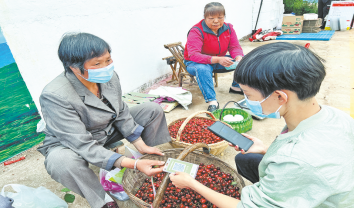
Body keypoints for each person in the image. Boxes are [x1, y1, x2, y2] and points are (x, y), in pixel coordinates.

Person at [170, 42, 354, 207]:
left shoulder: (297, 160)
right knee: (246, 159)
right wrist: (266, 150)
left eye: (248, 95)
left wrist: (191, 184)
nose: (245, 101)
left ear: (280, 97)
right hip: (322, 183)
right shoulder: (334, 115)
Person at [37, 32, 171, 208]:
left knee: (152, 110)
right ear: (74, 68)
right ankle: (103, 200)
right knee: (61, 162)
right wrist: (133, 164)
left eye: (108, 60)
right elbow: (81, 143)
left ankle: (158, 162)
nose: (106, 67)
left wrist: (139, 143)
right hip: (72, 142)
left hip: (106, 129)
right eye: (97, 64)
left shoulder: (110, 76)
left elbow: (120, 110)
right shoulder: (55, 96)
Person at [184, 2, 244, 113]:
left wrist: (239, 58)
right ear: (205, 17)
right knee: (203, 68)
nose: (216, 21)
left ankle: (236, 87)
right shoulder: (196, 31)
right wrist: (218, 59)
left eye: (220, 17)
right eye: (211, 18)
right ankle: (212, 101)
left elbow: (235, 47)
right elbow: (194, 55)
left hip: (217, 60)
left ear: (224, 17)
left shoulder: (228, 28)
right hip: (194, 63)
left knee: (244, 60)